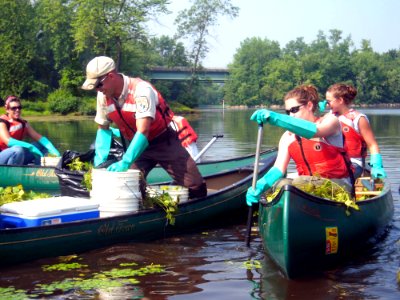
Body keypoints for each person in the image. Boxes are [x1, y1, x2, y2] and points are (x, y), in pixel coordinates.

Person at [81, 56, 207, 198]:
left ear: (110, 76)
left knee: (195, 185)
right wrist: (99, 162)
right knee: (126, 186)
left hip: (163, 141)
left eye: (99, 85)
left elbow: (143, 130)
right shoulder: (103, 96)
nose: (98, 90)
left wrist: (125, 161)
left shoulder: (141, 90)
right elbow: (103, 129)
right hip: (136, 146)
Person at [246, 85, 354, 206]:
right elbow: (278, 169)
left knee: (289, 185)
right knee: (277, 185)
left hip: (339, 187)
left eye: (294, 110)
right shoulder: (288, 137)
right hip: (307, 189)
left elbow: (315, 131)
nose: (291, 116)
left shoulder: (330, 121)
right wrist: (260, 185)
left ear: (309, 105)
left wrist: (276, 118)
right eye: (288, 112)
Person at [326, 83, 386, 179]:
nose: (327, 105)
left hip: (354, 163)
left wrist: (377, 165)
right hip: (334, 163)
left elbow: (372, 144)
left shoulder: (358, 119)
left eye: (328, 102)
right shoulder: (328, 118)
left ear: (340, 100)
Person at [0, 95, 60, 165]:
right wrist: (30, 146)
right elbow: (8, 141)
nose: (17, 110)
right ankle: (12, 173)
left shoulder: (23, 123)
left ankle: (39, 169)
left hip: (19, 156)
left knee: (42, 145)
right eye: (14, 108)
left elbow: (40, 138)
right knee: (18, 149)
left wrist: (53, 150)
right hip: (3, 156)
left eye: (19, 107)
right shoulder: (2, 122)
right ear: (7, 109)